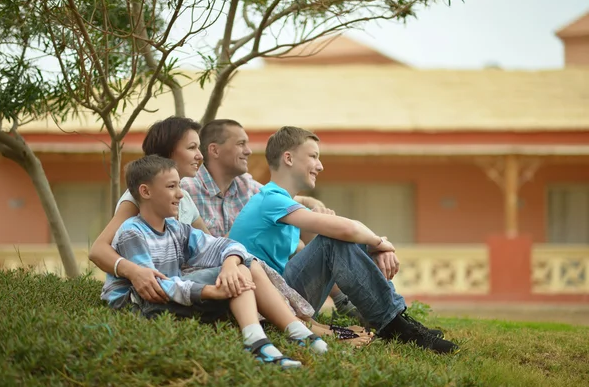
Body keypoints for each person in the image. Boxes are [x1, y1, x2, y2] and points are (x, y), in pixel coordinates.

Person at [228, 126, 460, 354]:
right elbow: (346, 230)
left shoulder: (282, 206)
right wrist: (380, 243)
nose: (320, 165)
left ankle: (395, 321)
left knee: (341, 239)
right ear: (288, 158)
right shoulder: (271, 200)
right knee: (333, 239)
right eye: (313, 156)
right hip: (263, 306)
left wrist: (372, 248)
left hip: (283, 297)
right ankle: (393, 325)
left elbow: (319, 252)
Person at [101, 155, 329, 368]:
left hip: (173, 296)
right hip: (144, 305)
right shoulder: (132, 232)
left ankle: (285, 334)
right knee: (241, 271)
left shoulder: (176, 228)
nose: (180, 194)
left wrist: (230, 264)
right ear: (145, 191)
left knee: (241, 265)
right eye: (172, 187)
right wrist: (209, 291)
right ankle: (268, 340)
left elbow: (225, 245)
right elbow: (153, 287)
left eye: (179, 185)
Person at [181, 119, 362, 320]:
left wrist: (315, 206)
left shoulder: (246, 185)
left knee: (300, 241)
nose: (249, 151)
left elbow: (285, 199)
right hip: (219, 276)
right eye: (241, 144)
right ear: (214, 150)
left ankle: (340, 301)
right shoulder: (185, 190)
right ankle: (314, 318)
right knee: (296, 243)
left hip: (260, 273)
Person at [90, 117, 208, 304]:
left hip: (179, 286)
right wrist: (135, 272)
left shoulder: (184, 199)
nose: (200, 155)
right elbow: (98, 250)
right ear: (167, 152)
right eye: (192, 147)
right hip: (150, 295)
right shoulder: (139, 198)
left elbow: (211, 245)